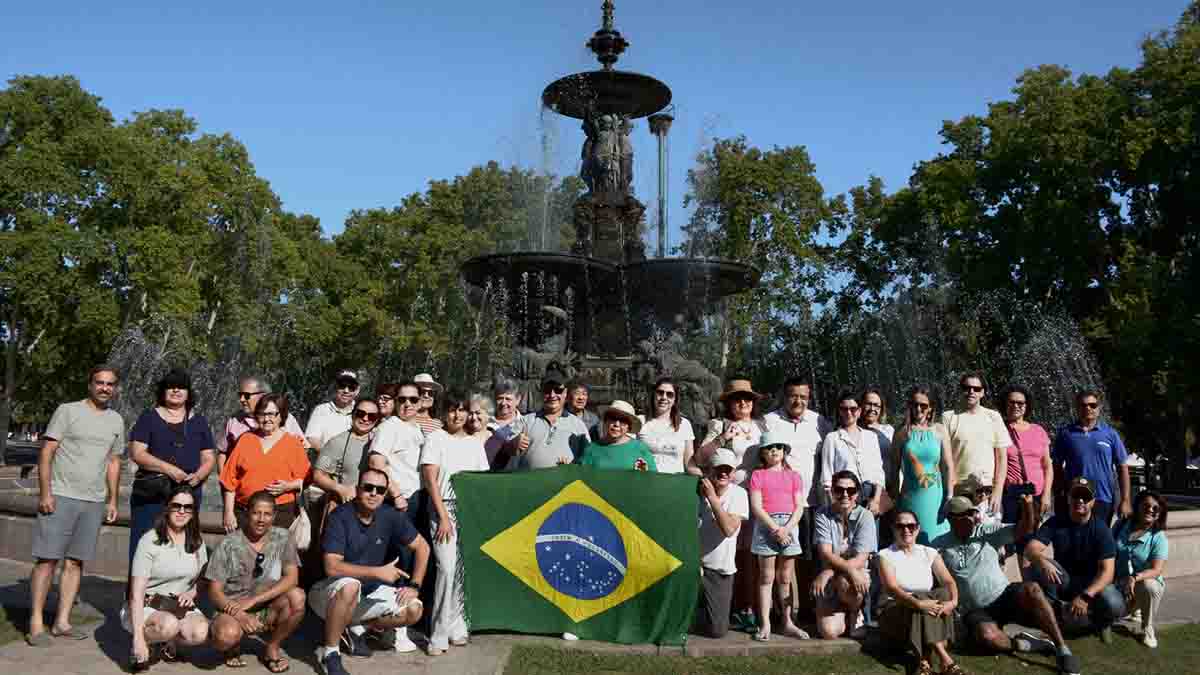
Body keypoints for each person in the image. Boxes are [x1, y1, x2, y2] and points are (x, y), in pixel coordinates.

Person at [28, 365, 125, 646]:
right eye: (100, 382)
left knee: (75, 563)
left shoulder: (116, 420)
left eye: (110, 384)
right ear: (90, 384)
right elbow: (47, 452)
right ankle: (36, 623)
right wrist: (46, 493)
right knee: (47, 560)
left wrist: (113, 499)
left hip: (93, 500)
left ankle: (62, 622)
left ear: (115, 388)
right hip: (61, 495)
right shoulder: (67, 410)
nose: (104, 388)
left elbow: (114, 461)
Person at [932, 495, 1081, 675]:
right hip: (975, 609)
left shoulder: (987, 531)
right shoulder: (939, 545)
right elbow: (932, 580)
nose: (970, 518)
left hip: (1003, 595)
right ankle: (1025, 644)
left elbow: (1023, 529)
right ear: (950, 519)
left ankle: (1062, 649)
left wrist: (1027, 508)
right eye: (963, 515)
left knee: (1031, 588)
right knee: (989, 637)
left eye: (971, 513)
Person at [309, 469, 430, 675]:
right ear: (357, 490)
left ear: (385, 495)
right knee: (350, 585)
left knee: (414, 609)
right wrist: (378, 573)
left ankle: (360, 627)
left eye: (380, 490)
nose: (374, 493)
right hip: (328, 594)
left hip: (368, 595)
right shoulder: (340, 516)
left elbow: (423, 547)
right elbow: (332, 566)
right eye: (368, 488)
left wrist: (415, 586)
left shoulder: (389, 515)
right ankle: (330, 653)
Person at [419, 391, 489, 655]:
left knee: (461, 570)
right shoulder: (436, 438)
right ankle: (437, 634)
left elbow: (480, 482)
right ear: (443, 413)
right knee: (446, 568)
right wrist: (444, 517)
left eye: (462, 410)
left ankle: (455, 625)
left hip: (467, 509)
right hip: (443, 508)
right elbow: (431, 480)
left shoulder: (474, 443)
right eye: (452, 410)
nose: (458, 415)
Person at [207, 491, 306, 672]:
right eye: (256, 513)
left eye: (267, 514)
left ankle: (272, 648)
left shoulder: (283, 537)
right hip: (233, 608)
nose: (261, 519)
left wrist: (255, 600)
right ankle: (231, 646)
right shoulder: (228, 544)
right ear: (247, 514)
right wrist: (239, 614)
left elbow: (292, 578)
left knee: (297, 597)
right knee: (225, 636)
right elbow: (214, 592)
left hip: (267, 607)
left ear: (274, 516)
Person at [128, 369, 216, 563]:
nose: (176, 390)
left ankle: (177, 592)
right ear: (163, 391)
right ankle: (139, 592)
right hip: (153, 494)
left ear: (188, 393)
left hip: (188, 493)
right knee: (144, 546)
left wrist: (199, 476)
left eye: (181, 387)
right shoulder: (148, 417)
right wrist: (169, 469)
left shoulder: (199, 422)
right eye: (171, 386)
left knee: (182, 547)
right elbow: (137, 453)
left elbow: (209, 457)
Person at [1025, 477, 1126, 642]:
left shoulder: (1101, 529)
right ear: (1068, 498)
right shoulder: (1055, 522)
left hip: (1092, 585)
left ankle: (1101, 622)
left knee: (1114, 603)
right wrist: (1042, 561)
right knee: (1039, 565)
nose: (1080, 500)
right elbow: (1030, 549)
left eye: (1085, 497)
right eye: (1076, 495)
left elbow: (1108, 572)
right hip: (1066, 581)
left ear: (1093, 502)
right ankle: (1057, 616)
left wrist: (1085, 597)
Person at [124, 486, 210, 671]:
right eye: (176, 505)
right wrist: (137, 640)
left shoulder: (196, 541)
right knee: (168, 625)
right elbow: (136, 594)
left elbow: (203, 577)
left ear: (193, 512)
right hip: (148, 604)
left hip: (177, 605)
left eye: (188, 507)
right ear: (167, 508)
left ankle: (166, 642)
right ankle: (146, 640)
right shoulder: (150, 540)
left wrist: (193, 591)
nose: (181, 511)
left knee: (200, 632)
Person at [876, 510, 964, 675]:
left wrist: (953, 602)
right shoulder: (885, 555)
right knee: (919, 600)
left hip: (922, 611)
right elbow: (892, 589)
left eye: (911, 526)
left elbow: (948, 581)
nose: (906, 530)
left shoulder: (929, 552)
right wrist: (918, 603)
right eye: (900, 526)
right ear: (893, 529)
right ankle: (945, 659)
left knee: (943, 595)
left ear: (917, 528)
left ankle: (923, 662)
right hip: (893, 610)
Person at [762, 377, 831, 561]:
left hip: (813, 501)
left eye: (803, 397)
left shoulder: (819, 422)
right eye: (793, 396)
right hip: (781, 504)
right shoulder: (769, 421)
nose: (798, 401)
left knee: (813, 556)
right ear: (784, 397)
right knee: (783, 559)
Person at [748, 432, 808, 641]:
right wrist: (775, 528)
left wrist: (787, 528)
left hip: (790, 527)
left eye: (779, 447)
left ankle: (787, 622)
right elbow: (756, 506)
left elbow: (799, 506)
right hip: (766, 526)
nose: (775, 450)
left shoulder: (794, 476)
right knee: (766, 577)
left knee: (784, 577)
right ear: (763, 453)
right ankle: (765, 623)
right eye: (769, 447)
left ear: (784, 452)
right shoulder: (758, 475)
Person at [220, 394, 311, 531]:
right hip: (245, 512)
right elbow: (229, 481)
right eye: (262, 414)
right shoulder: (245, 440)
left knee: (275, 552)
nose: (267, 419)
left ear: (281, 415)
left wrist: (288, 486)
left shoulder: (293, 443)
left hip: (279, 513)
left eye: (272, 414)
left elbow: (308, 479)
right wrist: (228, 512)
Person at [812, 470, 877, 640]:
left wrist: (831, 571)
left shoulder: (866, 516)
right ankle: (842, 613)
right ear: (832, 491)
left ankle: (856, 611)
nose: (845, 495)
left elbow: (861, 558)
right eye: (839, 490)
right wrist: (836, 571)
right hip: (835, 577)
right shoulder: (822, 514)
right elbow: (825, 552)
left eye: (851, 490)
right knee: (829, 632)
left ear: (858, 493)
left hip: (855, 576)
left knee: (846, 582)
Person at [1052, 389, 1131, 526]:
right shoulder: (1065, 434)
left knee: (1099, 542)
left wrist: (1125, 500)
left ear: (1099, 408)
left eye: (1092, 405)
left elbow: (1122, 468)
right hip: (1076, 499)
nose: (1088, 408)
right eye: (1083, 405)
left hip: (1103, 498)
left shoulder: (1110, 434)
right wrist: (1059, 496)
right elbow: (1056, 467)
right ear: (1077, 408)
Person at [694, 449, 749, 639]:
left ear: (734, 473)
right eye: (718, 468)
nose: (723, 473)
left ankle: (704, 612)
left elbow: (729, 529)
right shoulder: (693, 491)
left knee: (717, 631)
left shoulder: (739, 494)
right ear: (708, 470)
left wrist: (712, 498)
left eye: (728, 469)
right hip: (692, 566)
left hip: (719, 570)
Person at [890, 386, 955, 544]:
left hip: (936, 498)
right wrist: (896, 501)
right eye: (914, 404)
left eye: (923, 405)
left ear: (930, 408)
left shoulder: (939, 430)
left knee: (938, 542)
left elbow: (948, 466)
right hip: (910, 498)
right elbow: (894, 470)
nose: (918, 409)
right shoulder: (902, 433)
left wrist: (949, 495)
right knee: (912, 543)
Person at [942, 372, 1010, 516]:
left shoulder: (993, 417)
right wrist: (949, 492)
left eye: (976, 389)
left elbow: (1002, 458)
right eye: (967, 388)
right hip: (959, 492)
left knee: (988, 536)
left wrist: (998, 492)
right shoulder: (948, 417)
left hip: (987, 494)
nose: (971, 391)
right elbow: (944, 458)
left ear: (983, 392)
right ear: (961, 390)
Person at [217, 375, 306, 479]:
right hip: (242, 489)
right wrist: (225, 482)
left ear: (262, 395)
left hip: (277, 487)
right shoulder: (234, 421)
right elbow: (222, 453)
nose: (241, 399)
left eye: (246, 395)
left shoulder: (283, 418)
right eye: (239, 395)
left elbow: (303, 451)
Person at [499, 370, 590, 471]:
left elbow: (587, 460)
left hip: (564, 484)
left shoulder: (578, 425)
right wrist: (513, 444)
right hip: (529, 484)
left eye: (558, 390)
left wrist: (572, 467)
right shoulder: (525, 421)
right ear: (541, 393)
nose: (552, 395)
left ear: (565, 394)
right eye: (547, 390)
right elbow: (503, 449)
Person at [1113, 490, 1169, 649]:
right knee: (1106, 612)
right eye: (1146, 505)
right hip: (1119, 585)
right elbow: (1109, 552)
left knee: (1149, 586)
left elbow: (1157, 570)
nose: (1150, 510)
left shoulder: (1158, 537)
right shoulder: (1121, 525)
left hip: (1142, 583)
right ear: (1137, 506)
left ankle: (1148, 627)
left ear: (1159, 514)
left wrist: (1134, 578)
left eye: (1155, 509)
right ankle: (1135, 609)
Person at [820, 390, 886, 515]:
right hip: (844, 497)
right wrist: (836, 506)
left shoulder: (871, 437)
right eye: (844, 409)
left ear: (860, 411)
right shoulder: (832, 438)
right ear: (839, 411)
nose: (848, 413)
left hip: (870, 496)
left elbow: (878, 472)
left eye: (853, 409)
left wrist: (876, 500)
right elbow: (827, 477)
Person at [695, 379, 765, 485]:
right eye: (737, 399)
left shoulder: (762, 426)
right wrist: (722, 438)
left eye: (747, 398)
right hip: (730, 493)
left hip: (759, 491)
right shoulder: (719, 424)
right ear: (729, 403)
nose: (743, 402)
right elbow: (700, 458)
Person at [368, 383, 425, 513]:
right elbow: (375, 462)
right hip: (398, 501)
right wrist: (396, 495)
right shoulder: (389, 427)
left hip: (417, 497)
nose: (407, 403)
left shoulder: (417, 429)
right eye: (402, 399)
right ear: (396, 402)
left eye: (413, 399)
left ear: (420, 403)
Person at [638, 377, 697, 474]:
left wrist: (701, 479)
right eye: (660, 392)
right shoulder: (640, 421)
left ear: (675, 400)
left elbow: (689, 463)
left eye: (669, 394)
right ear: (653, 395)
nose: (664, 397)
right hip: (646, 481)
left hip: (674, 483)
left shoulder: (684, 424)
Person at [579, 401, 658, 471]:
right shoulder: (591, 449)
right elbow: (582, 477)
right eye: (613, 418)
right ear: (605, 421)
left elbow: (652, 479)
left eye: (623, 421)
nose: (617, 424)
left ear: (629, 427)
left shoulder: (640, 449)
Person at [306, 369, 360, 451]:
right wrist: (330, 456)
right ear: (336, 387)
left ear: (357, 390)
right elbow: (312, 438)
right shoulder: (321, 410)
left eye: (351, 387)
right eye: (342, 385)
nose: (346, 390)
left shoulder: (362, 412)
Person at [484, 377, 523, 469]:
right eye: (500, 398)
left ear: (518, 400)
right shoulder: (484, 423)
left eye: (508, 399)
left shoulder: (526, 423)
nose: (503, 403)